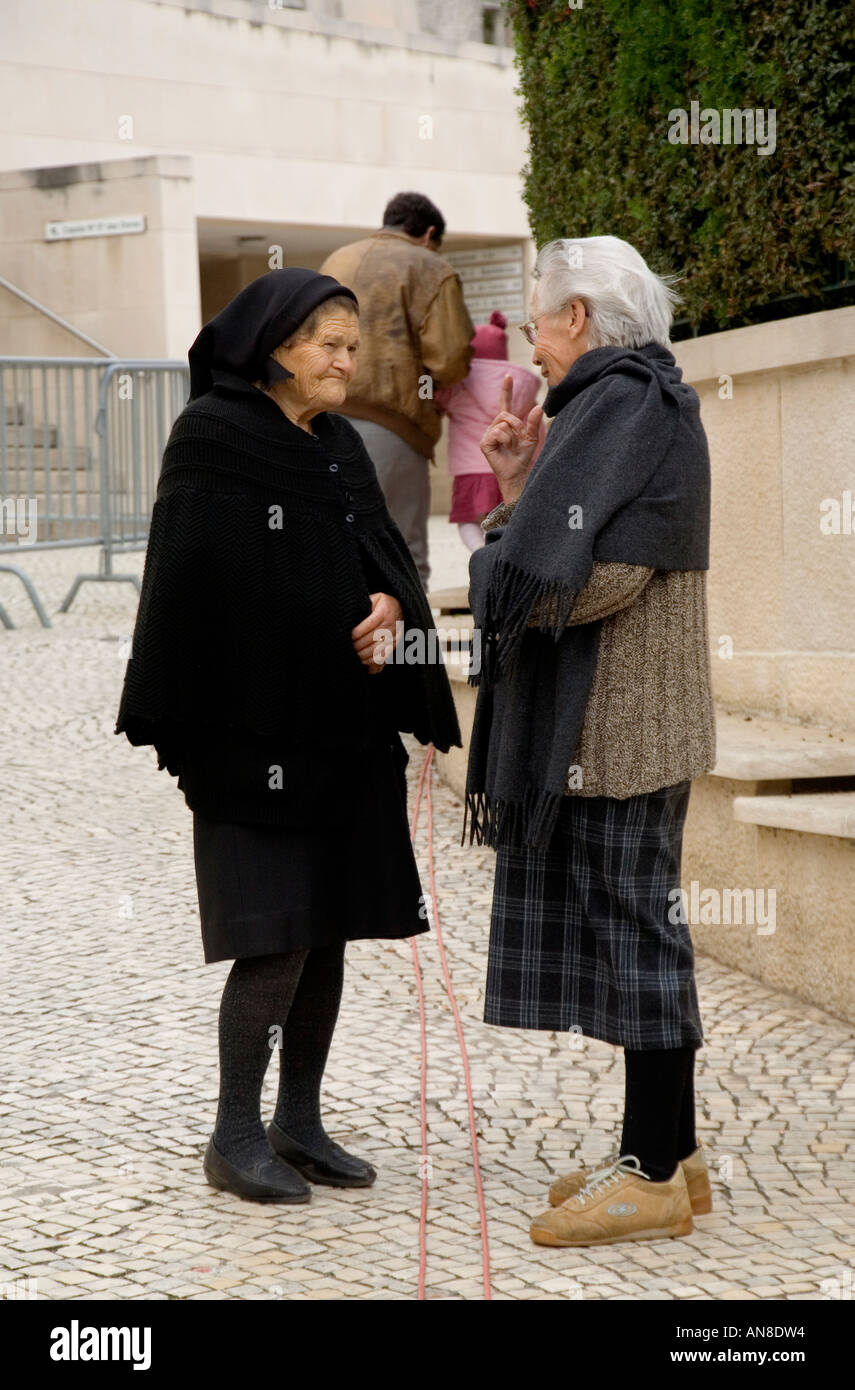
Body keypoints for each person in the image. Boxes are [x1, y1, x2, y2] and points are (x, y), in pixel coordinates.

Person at [115, 268, 461, 1204]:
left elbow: (382, 565)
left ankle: (299, 1123)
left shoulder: (343, 445)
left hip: (344, 734)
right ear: (275, 348)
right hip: (249, 734)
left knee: (330, 928)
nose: (347, 361)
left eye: (355, 347)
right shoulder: (215, 437)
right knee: (274, 937)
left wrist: (391, 605)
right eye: (330, 346)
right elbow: (189, 592)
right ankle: (233, 1134)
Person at [463, 235, 716, 1247]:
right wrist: (523, 489)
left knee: (641, 938)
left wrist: (498, 560)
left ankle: (653, 1176)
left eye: (537, 320)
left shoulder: (625, 403)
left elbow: (599, 579)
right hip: (624, 716)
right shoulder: (630, 400)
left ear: (579, 318)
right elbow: (574, 549)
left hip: (621, 724)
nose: (533, 342)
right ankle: (671, 1152)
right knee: (634, 933)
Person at [320, 191, 474, 590]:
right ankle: (406, 652)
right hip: (394, 426)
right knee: (402, 556)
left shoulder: (337, 260)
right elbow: (450, 359)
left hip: (320, 420)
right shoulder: (431, 266)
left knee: (335, 551)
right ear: (428, 233)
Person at [435, 310, 545, 554]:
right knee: (507, 517)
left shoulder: (460, 384)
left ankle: (480, 553)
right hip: (511, 469)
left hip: (471, 470)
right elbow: (536, 429)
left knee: (468, 521)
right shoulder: (521, 385)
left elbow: (433, 395)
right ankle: (504, 554)